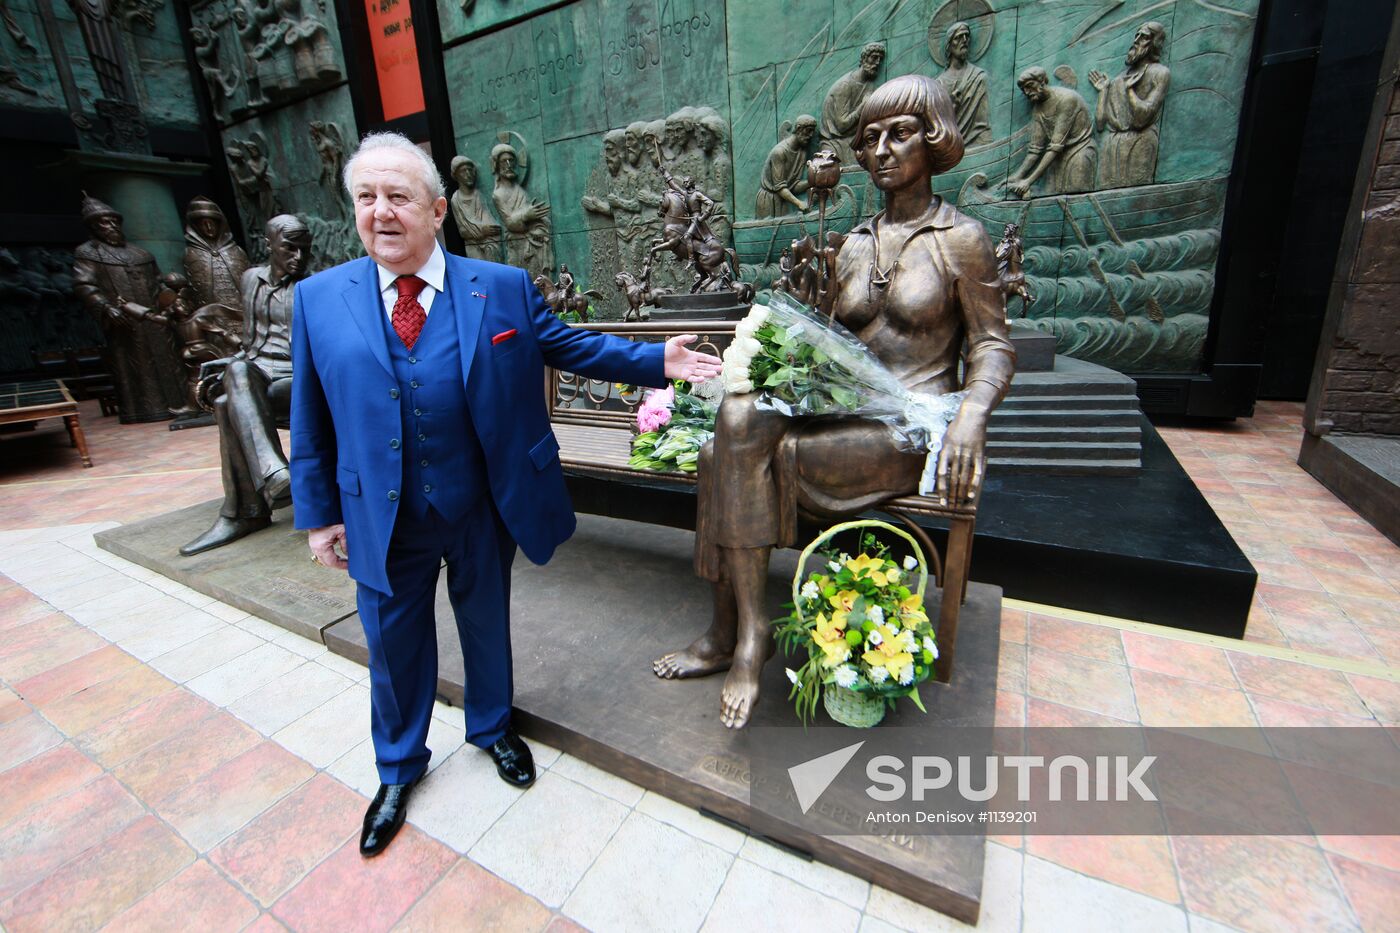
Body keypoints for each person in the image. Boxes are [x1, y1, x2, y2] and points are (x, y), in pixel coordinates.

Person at [289, 132, 721, 857]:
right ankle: (398, 767)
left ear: (435, 210)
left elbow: (570, 344)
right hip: (379, 514)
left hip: (479, 500)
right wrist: (318, 515)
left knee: (485, 619)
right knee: (394, 647)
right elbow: (310, 418)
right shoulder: (319, 300)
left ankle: (491, 726)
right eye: (366, 198)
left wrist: (656, 360)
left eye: (397, 197)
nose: (381, 212)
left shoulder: (501, 287)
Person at [655, 74, 1015, 729]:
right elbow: (832, 350)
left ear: (934, 139)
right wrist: (800, 330)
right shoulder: (852, 243)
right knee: (728, 426)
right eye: (870, 137)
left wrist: (972, 414)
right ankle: (749, 632)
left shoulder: (962, 239)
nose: (881, 149)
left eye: (899, 134)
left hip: (908, 430)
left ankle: (730, 634)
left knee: (719, 456)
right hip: (843, 412)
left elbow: (993, 345)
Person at [182, 214, 310, 555]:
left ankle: (247, 507)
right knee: (234, 378)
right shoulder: (251, 279)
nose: (299, 257)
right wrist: (227, 361)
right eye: (289, 249)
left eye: (304, 249)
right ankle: (267, 482)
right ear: (269, 246)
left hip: (298, 378)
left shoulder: (314, 287)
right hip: (257, 370)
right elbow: (252, 343)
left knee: (230, 400)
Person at [1088, 22, 1171, 189]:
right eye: (1137, 35)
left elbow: (1142, 117)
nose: (1137, 40)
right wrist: (1104, 91)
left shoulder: (1160, 73)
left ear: (1154, 43)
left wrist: (1129, 91)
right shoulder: (1119, 79)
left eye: (1145, 37)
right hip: (1112, 146)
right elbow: (1099, 124)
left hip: (1140, 143)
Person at [1007, 67, 1097, 198]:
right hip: (1055, 160)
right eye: (1023, 89)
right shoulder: (1038, 108)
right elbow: (1035, 150)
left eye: (1030, 86)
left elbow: (1055, 145)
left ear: (1043, 81)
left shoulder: (1067, 99)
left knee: (1078, 199)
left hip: (1079, 154)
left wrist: (1028, 181)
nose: (1026, 92)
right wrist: (1016, 177)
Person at [821, 42, 885, 163]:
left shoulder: (869, 84)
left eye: (880, 59)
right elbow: (842, 125)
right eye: (874, 57)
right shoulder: (844, 86)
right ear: (864, 58)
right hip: (838, 144)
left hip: (858, 139)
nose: (877, 63)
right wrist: (863, 106)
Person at [934, 22, 991, 147]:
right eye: (958, 37)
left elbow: (982, 124)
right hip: (949, 145)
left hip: (977, 140)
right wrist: (952, 106)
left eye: (966, 36)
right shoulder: (940, 83)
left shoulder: (978, 77)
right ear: (949, 46)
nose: (964, 40)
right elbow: (937, 126)